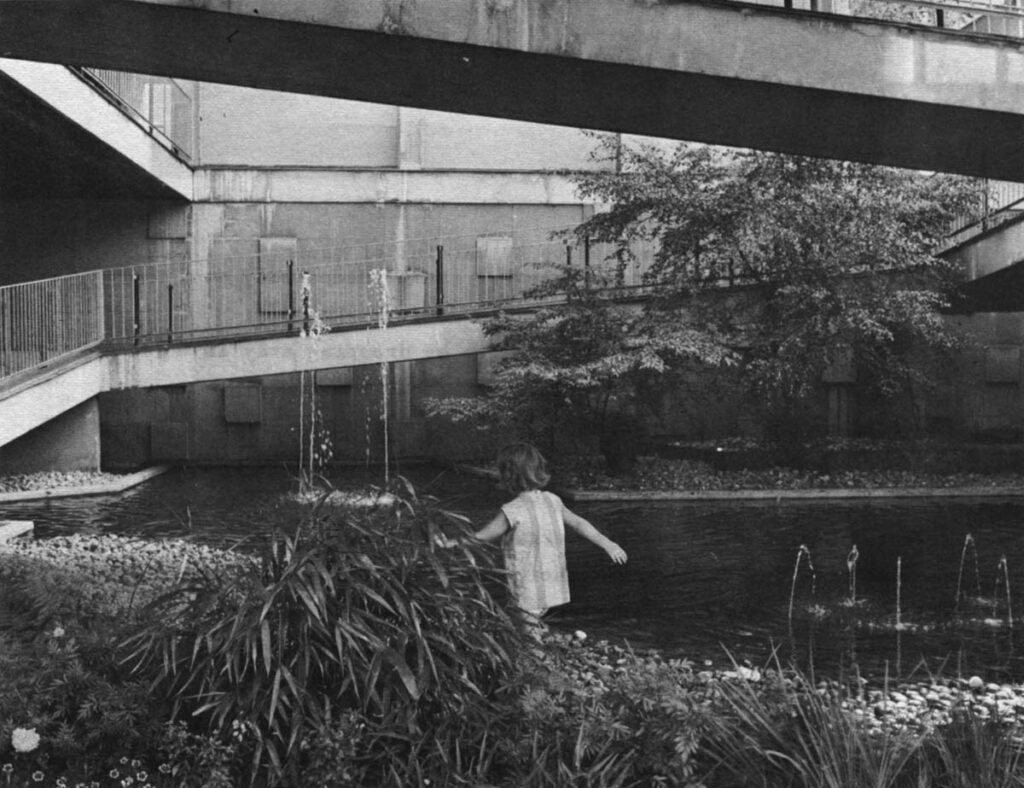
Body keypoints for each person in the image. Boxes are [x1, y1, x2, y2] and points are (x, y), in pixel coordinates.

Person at [437, 442, 627, 624]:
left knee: (526, 632)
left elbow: (482, 536)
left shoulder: (512, 509)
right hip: (551, 585)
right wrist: (608, 543)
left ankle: (533, 653)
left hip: (527, 587)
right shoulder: (553, 500)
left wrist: (451, 543)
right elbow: (578, 523)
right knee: (527, 626)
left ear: (508, 475)